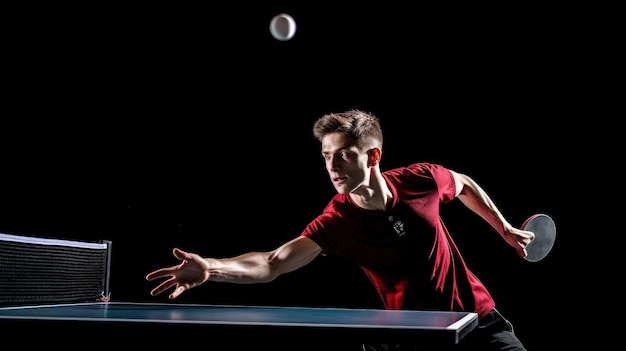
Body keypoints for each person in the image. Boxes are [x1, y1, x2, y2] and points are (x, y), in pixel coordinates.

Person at [145, 109, 532, 350]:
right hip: (414, 339)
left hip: (479, 322)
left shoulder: (422, 179)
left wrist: (504, 228)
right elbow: (272, 263)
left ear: (373, 155)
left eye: (344, 155)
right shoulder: (337, 221)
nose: (333, 166)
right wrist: (212, 268)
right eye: (327, 156)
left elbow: (462, 183)